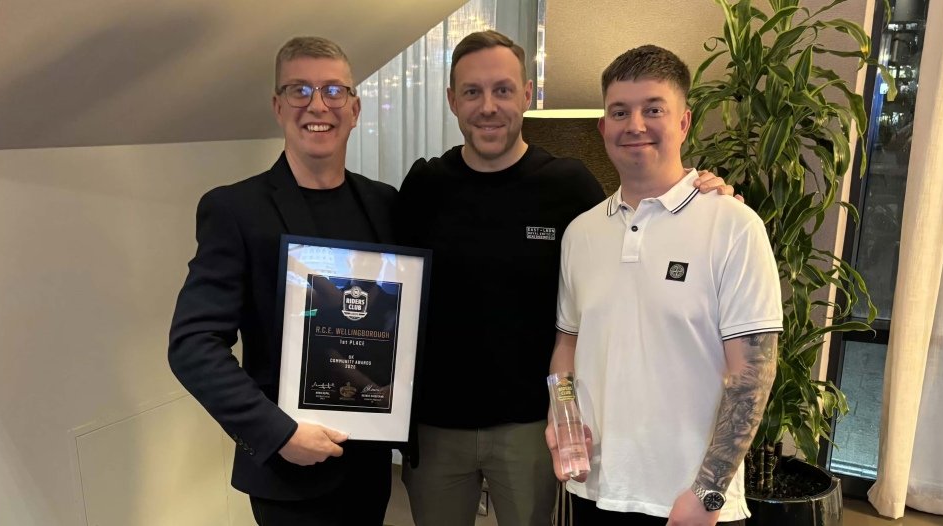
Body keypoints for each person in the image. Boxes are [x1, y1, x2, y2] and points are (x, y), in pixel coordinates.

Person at [396, 31, 736, 526]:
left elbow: (636, 230)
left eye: (502, 90)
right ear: (452, 100)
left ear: (527, 94)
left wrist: (703, 194)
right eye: (472, 92)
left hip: (533, 427)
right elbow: (382, 281)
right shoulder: (424, 187)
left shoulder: (568, 186)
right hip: (436, 425)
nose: (488, 106)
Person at [548, 45, 782, 526]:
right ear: (603, 127)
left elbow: (752, 374)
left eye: (653, 109)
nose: (635, 125)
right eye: (620, 112)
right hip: (595, 488)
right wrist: (562, 419)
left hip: (689, 502)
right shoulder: (581, 233)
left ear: (684, 122)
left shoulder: (733, 225)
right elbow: (567, 343)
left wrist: (709, 495)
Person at [167, 36, 396, 526]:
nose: (318, 105)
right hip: (290, 475)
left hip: (369, 467)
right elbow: (192, 344)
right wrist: (278, 433)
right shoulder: (234, 209)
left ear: (354, 109)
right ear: (277, 106)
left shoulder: (384, 203)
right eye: (299, 90)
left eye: (333, 91)